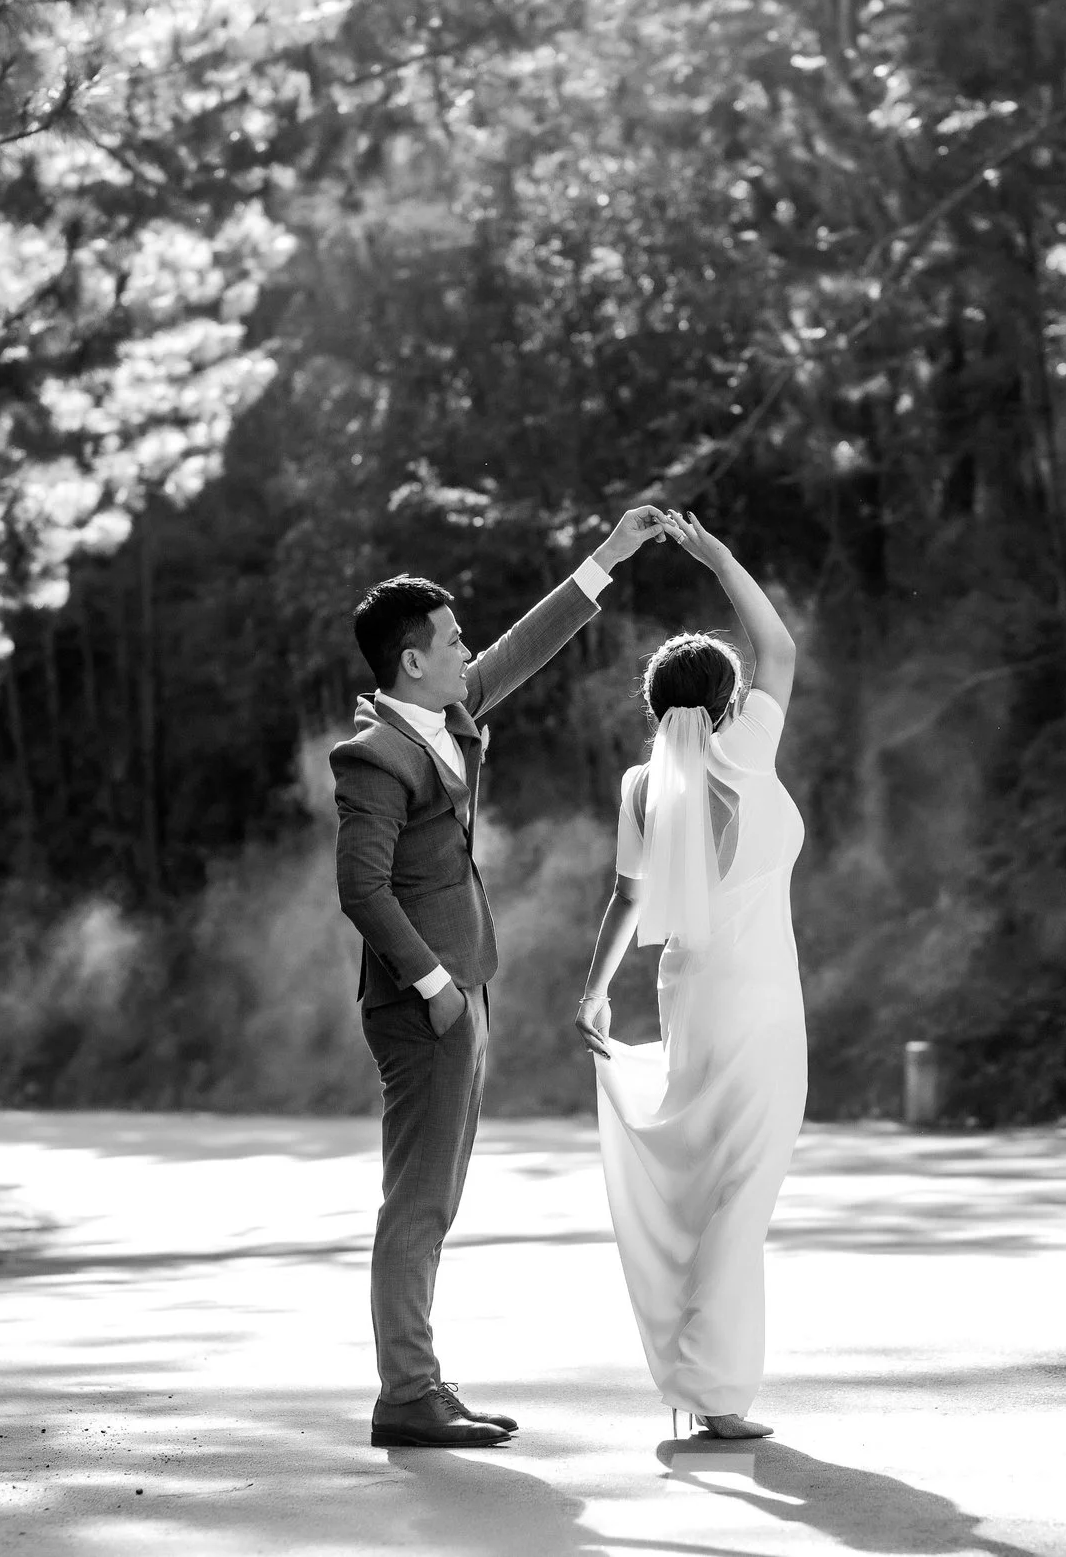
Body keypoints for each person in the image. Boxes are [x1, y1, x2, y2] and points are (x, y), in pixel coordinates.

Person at [334, 504, 667, 1449]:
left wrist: (611, 552)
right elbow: (360, 889)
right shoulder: (374, 757)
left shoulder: (446, 711)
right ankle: (408, 1392)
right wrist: (436, 988)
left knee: (436, 1193)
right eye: (451, 640)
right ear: (412, 660)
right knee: (420, 1197)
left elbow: (525, 645)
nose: (465, 648)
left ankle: (418, 1381)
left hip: (465, 984)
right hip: (426, 1001)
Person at [574, 509, 803, 1442]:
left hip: (689, 999)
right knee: (744, 1188)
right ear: (729, 701)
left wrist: (594, 992)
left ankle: (704, 1379)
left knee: (707, 1184)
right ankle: (716, 1390)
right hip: (761, 1002)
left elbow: (627, 900)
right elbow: (779, 646)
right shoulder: (746, 751)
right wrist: (715, 554)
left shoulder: (642, 786)